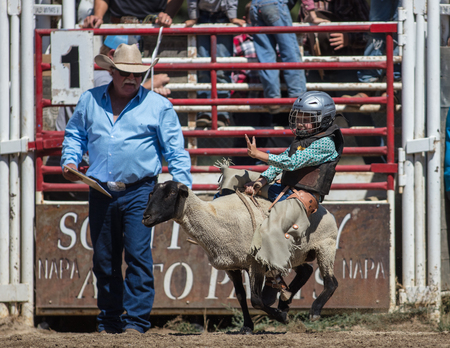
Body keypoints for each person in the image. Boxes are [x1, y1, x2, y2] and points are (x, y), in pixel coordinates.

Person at [61, 43, 192, 334]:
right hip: (100, 189)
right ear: (112, 72)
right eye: (124, 73)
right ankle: (109, 320)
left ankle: (135, 322)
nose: (131, 78)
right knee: (104, 258)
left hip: (141, 191)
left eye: (137, 73)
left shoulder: (158, 106)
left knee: (137, 254)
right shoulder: (89, 100)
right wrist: (69, 160)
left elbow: (175, 150)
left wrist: (183, 187)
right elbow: (74, 135)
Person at [243, 91, 343, 285]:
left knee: (272, 229)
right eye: (299, 118)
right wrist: (261, 181)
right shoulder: (303, 138)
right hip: (285, 187)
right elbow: (281, 161)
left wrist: (258, 154)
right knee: (234, 178)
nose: (300, 123)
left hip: (302, 197)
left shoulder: (326, 143)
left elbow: (291, 162)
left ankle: (276, 273)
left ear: (324, 120)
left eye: (307, 119)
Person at [185, 0, 245, 127]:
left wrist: (232, 16)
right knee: (203, 69)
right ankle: (204, 112)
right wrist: (194, 17)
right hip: (202, 16)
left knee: (222, 70)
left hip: (222, 15)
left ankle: (222, 113)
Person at [250, 0, 307, 114]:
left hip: (254, 6)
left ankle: (272, 98)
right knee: (290, 51)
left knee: (265, 55)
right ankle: (298, 96)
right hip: (275, 4)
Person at [81, 0, 184, 28]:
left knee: (155, 77)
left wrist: (167, 15)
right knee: (118, 74)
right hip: (118, 30)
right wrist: (98, 16)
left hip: (155, 29)